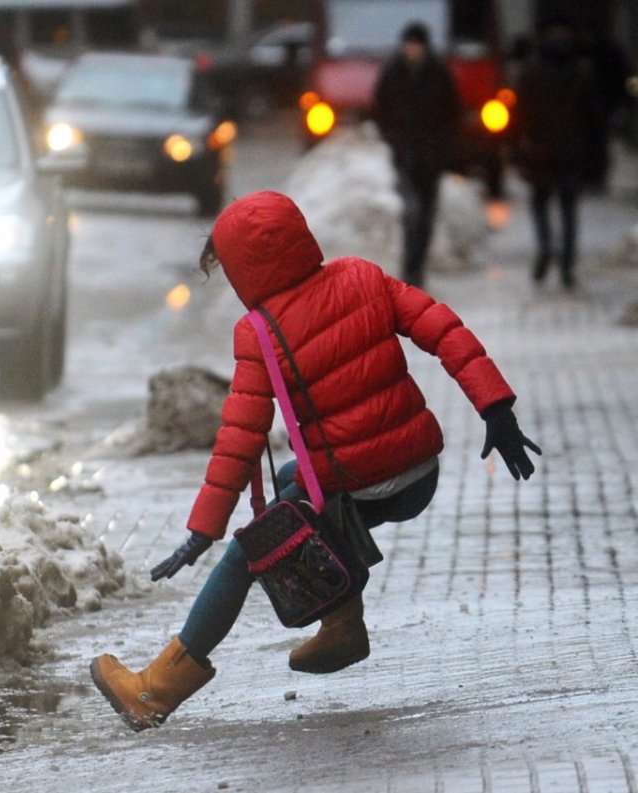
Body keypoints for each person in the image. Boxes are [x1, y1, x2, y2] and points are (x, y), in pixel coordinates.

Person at [89, 191, 541, 732]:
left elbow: (240, 435)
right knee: (290, 482)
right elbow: (446, 331)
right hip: (419, 474)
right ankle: (343, 626)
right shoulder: (362, 276)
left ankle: (156, 688)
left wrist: (203, 531)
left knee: (250, 547)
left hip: (357, 485)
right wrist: (497, 411)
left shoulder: (259, 332)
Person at [513, 18, 601, 290]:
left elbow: (520, 114)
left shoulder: (530, 71)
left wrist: (520, 147)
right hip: (571, 152)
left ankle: (546, 246)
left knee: (540, 205)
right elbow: (593, 119)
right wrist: (595, 157)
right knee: (568, 210)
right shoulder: (582, 72)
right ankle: (566, 266)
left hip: (540, 151)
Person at [371, 21, 460, 288]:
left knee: (426, 214)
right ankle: (411, 268)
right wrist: (393, 139)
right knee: (411, 211)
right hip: (404, 154)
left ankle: (417, 265)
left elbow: (451, 113)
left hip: (431, 156)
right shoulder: (393, 72)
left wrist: (442, 145)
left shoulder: (439, 73)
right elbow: (380, 109)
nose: (410, 50)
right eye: (407, 44)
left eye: (415, 45)